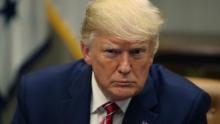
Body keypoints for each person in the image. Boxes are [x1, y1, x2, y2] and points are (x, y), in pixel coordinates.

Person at [12, 0, 211, 124]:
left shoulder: (184, 106)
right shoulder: (38, 94)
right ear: (86, 52)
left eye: (137, 52)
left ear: (152, 54)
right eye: (112, 52)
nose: (125, 67)